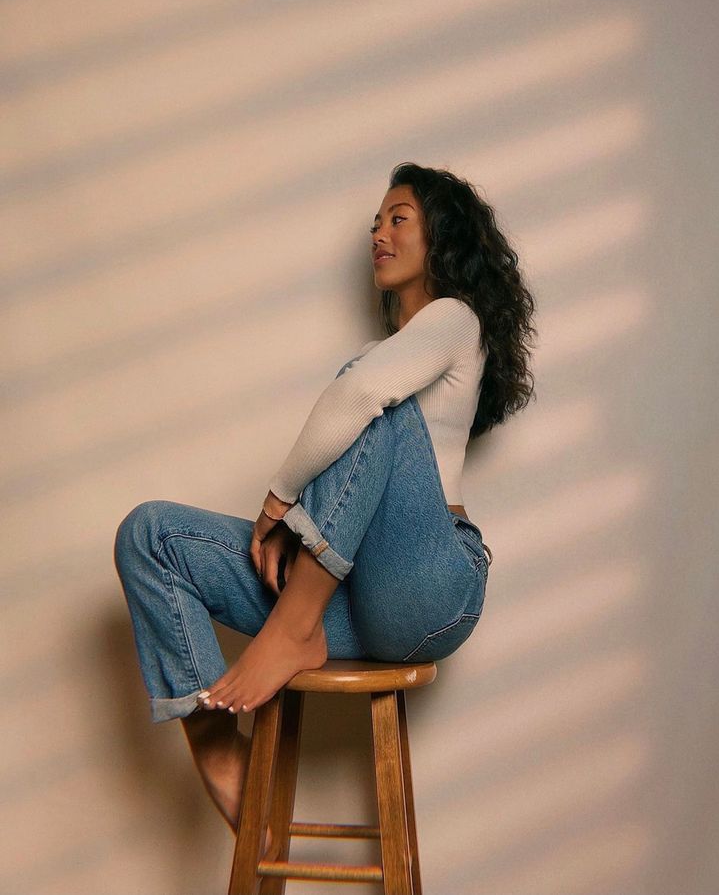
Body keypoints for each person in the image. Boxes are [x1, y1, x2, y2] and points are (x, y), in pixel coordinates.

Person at [113, 161, 537, 833]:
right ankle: (221, 745)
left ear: (443, 238)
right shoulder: (391, 354)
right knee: (151, 535)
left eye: (399, 218)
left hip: (431, 585)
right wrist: (305, 522)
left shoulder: (457, 318)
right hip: (354, 593)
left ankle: (294, 626)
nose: (380, 233)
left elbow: (364, 394)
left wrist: (281, 499)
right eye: (375, 223)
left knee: (367, 393)